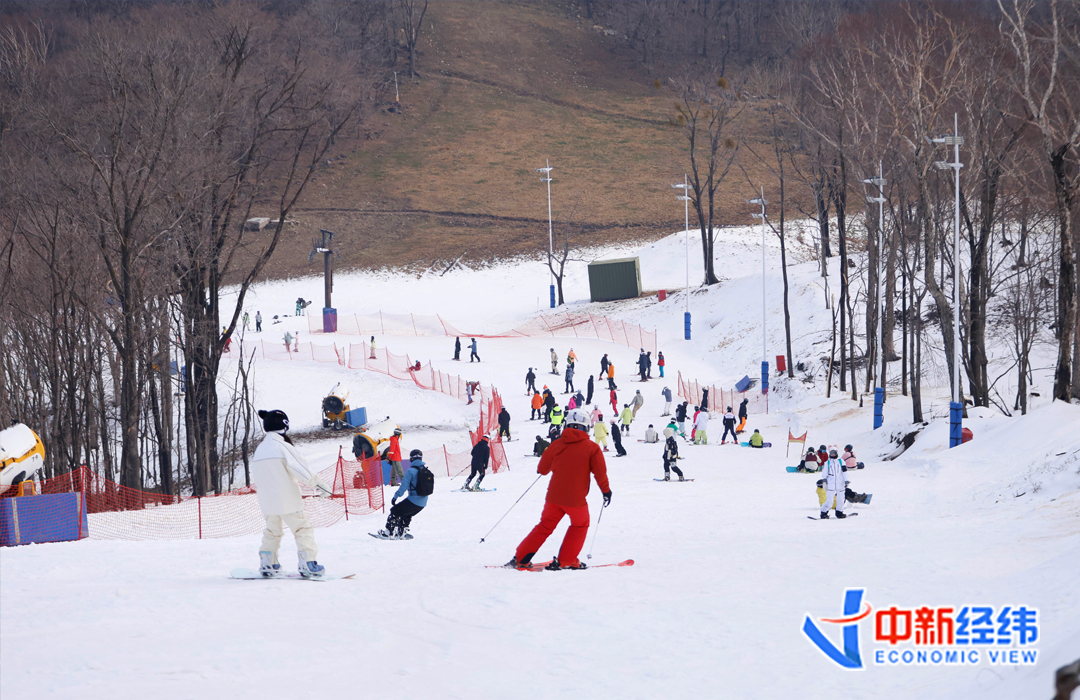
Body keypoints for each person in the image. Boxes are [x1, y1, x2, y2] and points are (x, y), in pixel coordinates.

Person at [506, 409, 611, 570]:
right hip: (575, 500)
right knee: (580, 525)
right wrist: (606, 491)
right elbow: (600, 473)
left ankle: (521, 558)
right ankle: (567, 560)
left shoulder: (556, 444)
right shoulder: (592, 448)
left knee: (544, 526)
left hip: (553, 498)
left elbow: (542, 469)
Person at [251, 409, 333, 578]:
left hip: (267, 501)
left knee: (272, 531)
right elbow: (301, 469)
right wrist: (321, 486)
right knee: (302, 528)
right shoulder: (282, 447)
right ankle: (308, 563)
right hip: (287, 498)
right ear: (284, 426)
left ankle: (267, 562)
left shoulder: (260, 450)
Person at [380, 449, 432, 538]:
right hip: (423, 503)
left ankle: (388, 532)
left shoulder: (410, 471)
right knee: (406, 514)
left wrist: (395, 497)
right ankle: (402, 532)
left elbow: (403, 486)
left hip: (414, 500)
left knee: (395, 510)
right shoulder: (425, 470)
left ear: (411, 459)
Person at [819, 448, 847, 519]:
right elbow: (825, 473)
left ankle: (839, 513)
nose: (833, 455)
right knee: (829, 501)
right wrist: (824, 481)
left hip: (840, 483)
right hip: (831, 483)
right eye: (831, 453)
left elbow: (845, 471)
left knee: (841, 499)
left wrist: (846, 480)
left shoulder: (841, 461)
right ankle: (824, 513)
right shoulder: (827, 463)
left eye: (834, 453)